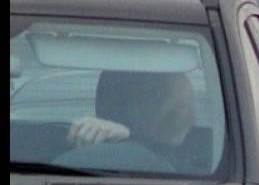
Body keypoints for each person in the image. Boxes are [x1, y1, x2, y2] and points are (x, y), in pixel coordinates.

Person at [67, 71, 199, 167]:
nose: (180, 109)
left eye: (184, 94)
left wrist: (130, 137)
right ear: (129, 109)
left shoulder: (213, 152)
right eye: (159, 94)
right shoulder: (85, 147)